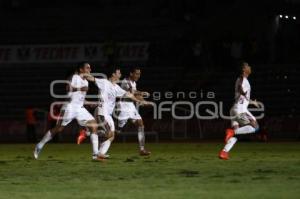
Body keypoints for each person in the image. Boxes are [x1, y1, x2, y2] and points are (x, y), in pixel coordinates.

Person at [77, 67, 151, 160]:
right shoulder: (104, 82)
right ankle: (88, 135)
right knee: (109, 134)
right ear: (113, 74)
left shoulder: (116, 87)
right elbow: (92, 78)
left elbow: (129, 94)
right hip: (102, 112)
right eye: (118, 73)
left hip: (108, 115)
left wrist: (139, 101)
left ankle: (100, 153)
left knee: (112, 136)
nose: (120, 75)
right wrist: (82, 74)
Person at [34, 62, 101, 161]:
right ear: (81, 70)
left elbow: (81, 99)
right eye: (87, 68)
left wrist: (90, 103)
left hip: (80, 108)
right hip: (69, 107)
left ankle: (95, 155)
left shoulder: (86, 82)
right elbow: (68, 88)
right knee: (58, 129)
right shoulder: (74, 77)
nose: (90, 70)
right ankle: (39, 145)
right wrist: (80, 88)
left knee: (94, 125)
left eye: (90, 68)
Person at [219, 62, 260, 160]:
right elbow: (239, 88)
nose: (250, 67)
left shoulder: (242, 79)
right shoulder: (242, 78)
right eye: (248, 66)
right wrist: (242, 91)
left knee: (236, 135)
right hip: (240, 110)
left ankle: (224, 152)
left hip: (234, 109)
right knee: (255, 127)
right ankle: (232, 131)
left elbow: (242, 96)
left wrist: (251, 102)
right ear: (244, 69)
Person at [115, 67, 151, 156]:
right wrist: (143, 98)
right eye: (136, 73)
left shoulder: (133, 82)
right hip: (123, 107)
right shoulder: (125, 82)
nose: (138, 76)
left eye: (139, 74)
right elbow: (133, 93)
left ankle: (142, 150)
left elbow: (135, 94)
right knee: (116, 131)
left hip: (131, 107)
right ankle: (94, 134)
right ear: (131, 74)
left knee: (140, 124)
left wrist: (142, 100)